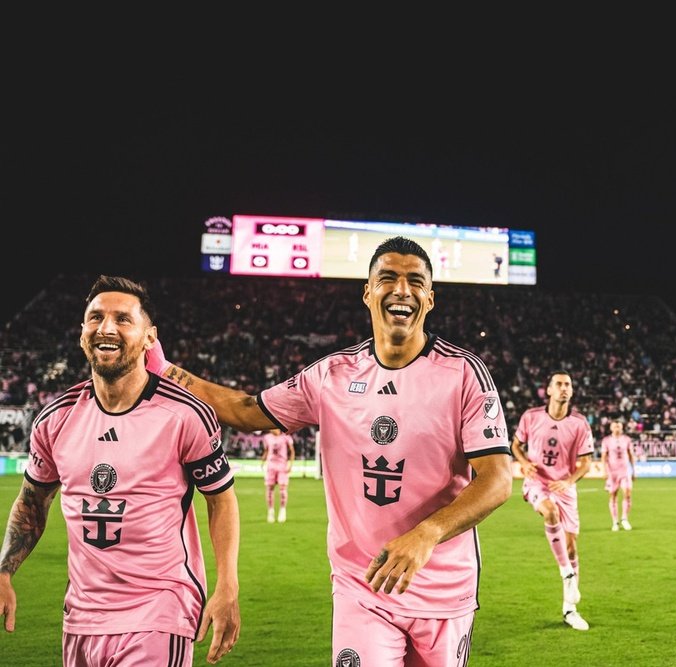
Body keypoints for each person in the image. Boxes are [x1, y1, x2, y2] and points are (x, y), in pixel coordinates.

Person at [146, 236, 513, 665]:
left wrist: (425, 535)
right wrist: (161, 368)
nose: (401, 290)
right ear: (367, 293)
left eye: (415, 281)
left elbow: (497, 479)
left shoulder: (464, 373)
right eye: (388, 278)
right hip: (362, 588)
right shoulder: (331, 376)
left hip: (444, 592)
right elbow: (247, 410)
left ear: (429, 300)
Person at [0, 275, 241, 666]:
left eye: (123, 319)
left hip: (161, 610)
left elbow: (221, 499)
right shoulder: (55, 420)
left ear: (150, 337)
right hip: (81, 617)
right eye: (95, 318)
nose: (106, 328)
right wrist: (4, 570)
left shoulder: (184, 415)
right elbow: (32, 501)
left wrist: (227, 584)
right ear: (82, 333)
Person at [510, 371, 594, 631]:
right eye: (558, 384)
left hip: (564, 486)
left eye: (568, 384)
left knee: (571, 548)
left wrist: (569, 482)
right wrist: (524, 464)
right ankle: (566, 573)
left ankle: (570, 609)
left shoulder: (580, 424)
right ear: (548, 390)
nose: (564, 388)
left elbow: (586, 463)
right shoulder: (531, 417)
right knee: (550, 512)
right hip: (538, 482)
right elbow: (515, 445)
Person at [600, 418, 637, 531]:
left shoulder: (627, 439)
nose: (617, 428)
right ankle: (615, 522)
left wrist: (634, 470)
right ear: (611, 428)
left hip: (625, 472)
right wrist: (604, 471)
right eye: (615, 426)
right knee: (613, 495)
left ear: (622, 428)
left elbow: (631, 455)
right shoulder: (606, 440)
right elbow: (604, 457)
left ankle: (624, 519)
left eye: (619, 427)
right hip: (612, 473)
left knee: (627, 493)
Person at [261, 428, 295, 523]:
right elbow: (267, 450)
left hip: (282, 466)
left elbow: (292, 451)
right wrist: (263, 461)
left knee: (282, 489)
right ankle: (270, 511)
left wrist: (290, 464)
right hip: (271, 465)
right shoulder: (267, 437)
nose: (271, 429)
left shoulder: (286, 438)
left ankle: (282, 510)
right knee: (269, 488)